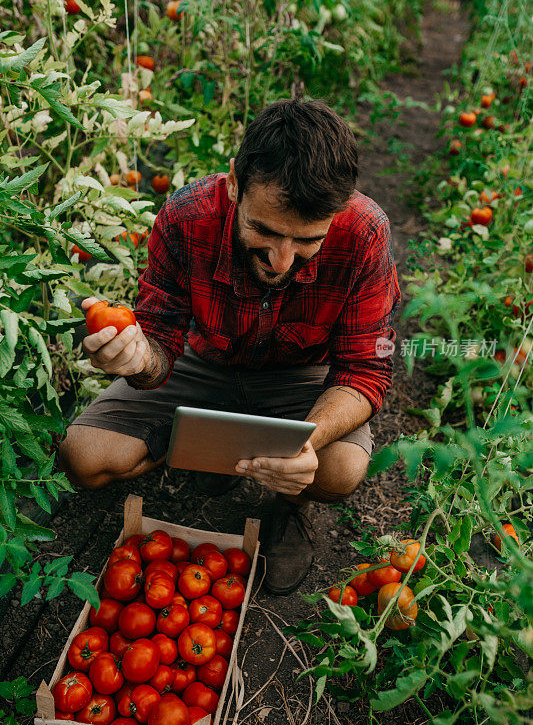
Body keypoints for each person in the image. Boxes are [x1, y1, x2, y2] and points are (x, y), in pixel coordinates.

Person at [57, 98, 401, 595]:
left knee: (340, 470)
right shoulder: (188, 216)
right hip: (207, 362)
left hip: (300, 377)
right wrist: (138, 358)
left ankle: (288, 502)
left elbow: (364, 372)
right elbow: (160, 343)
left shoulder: (364, 233)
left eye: (307, 240)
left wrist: (306, 444)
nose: (282, 260)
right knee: (84, 456)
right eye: (263, 230)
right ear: (236, 184)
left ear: (337, 211)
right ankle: (209, 452)